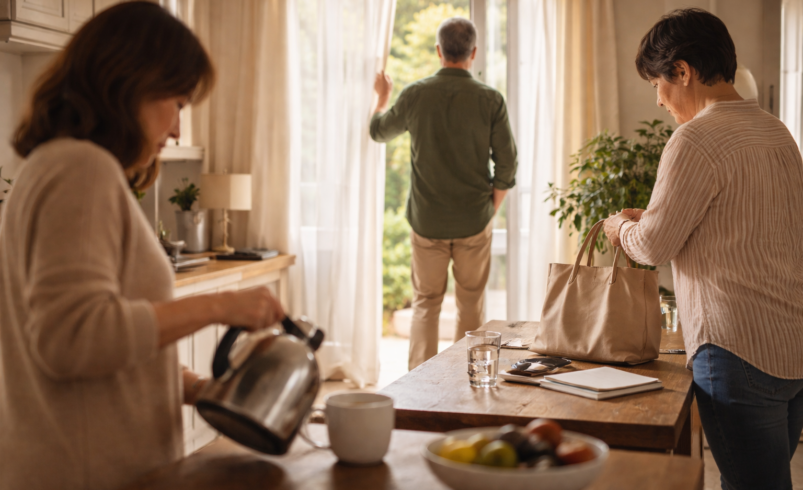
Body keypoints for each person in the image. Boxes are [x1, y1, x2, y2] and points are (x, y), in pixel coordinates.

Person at [0, 3, 285, 489]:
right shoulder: (82, 170)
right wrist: (221, 305)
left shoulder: (48, 167)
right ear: (128, 84)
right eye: (176, 102)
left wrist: (197, 388)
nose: (177, 128)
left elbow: (97, 351)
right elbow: (73, 338)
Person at [604, 9, 803, 490]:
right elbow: (741, 225)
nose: (659, 100)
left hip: (735, 348)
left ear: (683, 71)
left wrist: (619, 228)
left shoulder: (693, 138)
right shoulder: (777, 132)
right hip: (792, 345)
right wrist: (649, 221)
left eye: (657, 84)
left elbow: (652, 247)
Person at [369, 17, 517, 370]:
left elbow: (378, 132)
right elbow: (507, 166)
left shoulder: (416, 94)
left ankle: (419, 386)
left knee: (425, 304)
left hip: (427, 222)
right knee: (470, 304)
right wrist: (490, 210)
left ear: (439, 51)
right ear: (474, 53)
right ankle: (468, 380)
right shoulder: (490, 99)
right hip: (474, 220)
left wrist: (381, 98)